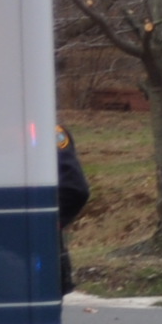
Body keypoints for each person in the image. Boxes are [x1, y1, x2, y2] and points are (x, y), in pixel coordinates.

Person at [55, 124, 91, 297]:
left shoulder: (45, 130)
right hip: (35, 256)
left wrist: (45, 221)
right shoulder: (44, 128)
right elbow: (74, 189)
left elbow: (73, 189)